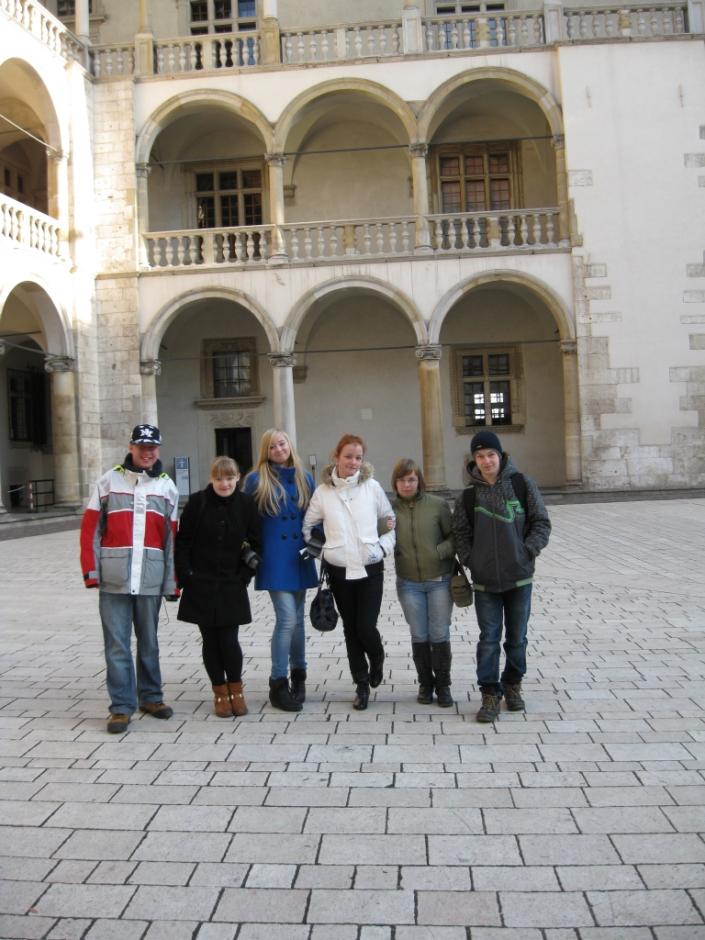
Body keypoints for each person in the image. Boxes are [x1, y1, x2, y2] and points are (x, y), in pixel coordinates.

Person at [80, 424, 179, 734]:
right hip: (114, 580)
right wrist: (91, 571)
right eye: (142, 447)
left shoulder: (167, 487)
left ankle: (151, 697)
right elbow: (91, 529)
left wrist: (172, 582)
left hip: (150, 577)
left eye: (152, 447)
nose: (147, 452)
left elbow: (172, 540)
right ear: (131, 447)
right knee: (116, 646)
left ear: (158, 450)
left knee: (149, 643)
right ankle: (121, 707)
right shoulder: (108, 481)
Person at [453, 430, 551, 722]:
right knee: (489, 639)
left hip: (519, 578)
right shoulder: (468, 496)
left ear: (500, 455)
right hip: (485, 582)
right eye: (480, 456)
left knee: (517, 638)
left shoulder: (522, 484)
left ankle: (512, 684)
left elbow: (541, 522)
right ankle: (489, 692)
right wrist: (472, 560)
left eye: (491, 455)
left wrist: (527, 551)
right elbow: (460, 534)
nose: (486, 461)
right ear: (474, 460)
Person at [303, 433, 395, 711]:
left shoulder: (372, 488)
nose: (353, 462)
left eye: (358, 457)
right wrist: (326, 551)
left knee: (366, 627)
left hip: (370, 569)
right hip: (339, 572)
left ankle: (377, 657)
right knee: (350, 630)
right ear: (336, 457)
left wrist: (382, 549)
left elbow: (390, 523)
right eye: (348, 457)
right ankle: (361, 684)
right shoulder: (323, 492)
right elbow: (308, 528)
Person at [175, 456, 261, 719]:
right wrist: (187, 575)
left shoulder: (246, 504)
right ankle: (219, 692)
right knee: (210, 641)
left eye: (230, 478)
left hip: (231, 583)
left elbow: (257, 542)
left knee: (229, 639)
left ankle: (236, 690)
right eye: (219, 478)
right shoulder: (197, 502)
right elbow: (183, 542)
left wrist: (244, 576)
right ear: (212, 479)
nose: (225, 484)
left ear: (238, 478)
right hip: (200, 583)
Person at [243, 429, 318, 712]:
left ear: (289, 445)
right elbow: (244, 517)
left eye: (282, 444)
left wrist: (318, 541)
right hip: (274, 558)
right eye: (272, 446)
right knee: (287, 619)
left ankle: (299, 676)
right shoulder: (255, 479)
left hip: (299, 555)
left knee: (298, 621)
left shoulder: (304, 477)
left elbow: (315, 515)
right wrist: (247, 549)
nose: (278, 449)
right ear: (266, 451)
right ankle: (278, 682)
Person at [391, 458, 456, 707]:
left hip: (439, 580)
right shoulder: (389, 510)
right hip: (408, 583)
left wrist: (439, 552)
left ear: (419, 481)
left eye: (411, 479)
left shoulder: (437, 505)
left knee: (439, 633)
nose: (406, 484)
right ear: (395, 483)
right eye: (401, 480)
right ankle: (425, 684)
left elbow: (454, 536)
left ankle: (443, 685)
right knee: (419, 634)